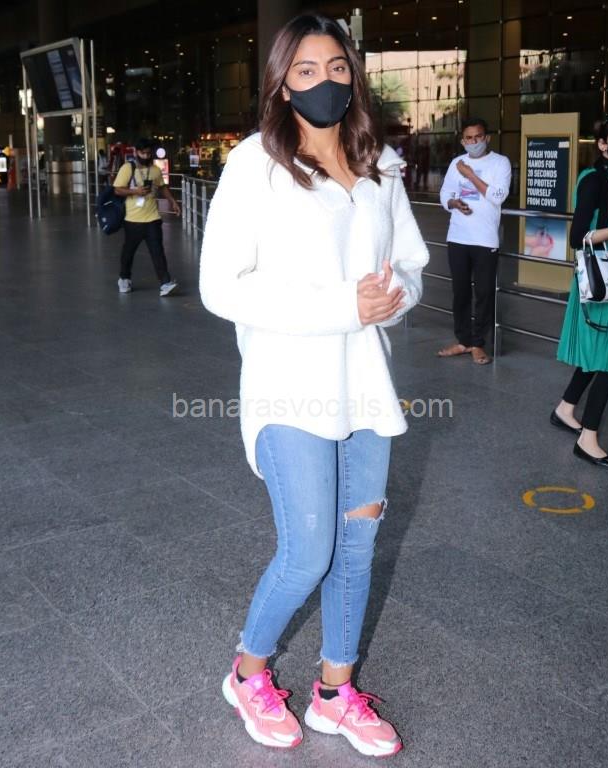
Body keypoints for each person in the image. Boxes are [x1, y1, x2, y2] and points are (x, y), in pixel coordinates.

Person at [199, 13, 429, 757]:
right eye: (305, 70)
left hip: (365, 387)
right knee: (308, 552)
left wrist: (395, 296)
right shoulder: (254, 164)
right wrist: (341, 306)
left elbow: (411, 265)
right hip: (289, 384)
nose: (323, 81)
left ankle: (334, 692)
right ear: (280, 83)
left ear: (352, 77)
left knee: (356, 546)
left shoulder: (378, 164)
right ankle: (248, 673)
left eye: (336, 68)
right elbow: (219, 286)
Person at [552, 116, 608, 469]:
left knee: (601, 353)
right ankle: (588, 439)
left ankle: (566, 408)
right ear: (602, 144)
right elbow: (578, 237)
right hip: (603, 279)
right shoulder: (594, 179)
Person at [437, 118, 512, 364]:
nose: (473, 142)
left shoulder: (500, 163)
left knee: (484, 293)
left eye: (478, 137)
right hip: (458, 236)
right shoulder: (456, 163)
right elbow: (445, 193)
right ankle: (463, 341)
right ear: (463, 141)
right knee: (460, 292)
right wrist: (453, 203)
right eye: (468, 138)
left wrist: (470, 174)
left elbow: (498, 196)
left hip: (485, 239)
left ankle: (478, 344)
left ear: (487, 138)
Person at [113, 138, 180, 296]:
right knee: (128, 252)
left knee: (158, 251)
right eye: (143, 153)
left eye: (148, 153)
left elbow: (162, 187)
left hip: (152, 219)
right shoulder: (128, 168)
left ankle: (165, 283)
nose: (146, 156)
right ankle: (124, 278)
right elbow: (117, 189)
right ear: (136, 152)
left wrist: (173, 201)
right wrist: (135, 191)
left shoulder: (155, 170)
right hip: (132, 220)